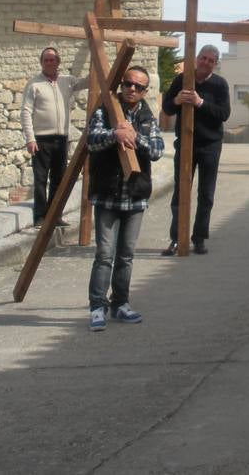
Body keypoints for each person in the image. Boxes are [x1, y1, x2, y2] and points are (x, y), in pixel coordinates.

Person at [85, 65, 163, 333]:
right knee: (104, 254)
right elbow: (91, 141)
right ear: (122, 84)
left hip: (135, 195)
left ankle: (121, 303)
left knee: (126, 255)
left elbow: (156, 150)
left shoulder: (146, 116)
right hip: (108, 194)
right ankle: (97, 307)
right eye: (128, 83)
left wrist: (134, 137)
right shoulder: (105, 110)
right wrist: (114, 134)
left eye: (138, 86)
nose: (132, 89)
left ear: (144, 91)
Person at [161, 44, 231, 255]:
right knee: (180, 193)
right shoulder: (182, 80)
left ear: (215, 64)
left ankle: (199, 238)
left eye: (211, 60)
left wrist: (200, 102)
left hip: (210, 145)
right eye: (203, 58)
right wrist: (177, 100)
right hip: (185, 144)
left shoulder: (219, 84)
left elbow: (224, 113)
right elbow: (167, 108)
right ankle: (176, 238)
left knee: (206, 194)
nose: (206, 63)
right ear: (197, 58)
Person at [20, 47, 88, 225]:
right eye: (46, 60)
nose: (49, 62)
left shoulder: (67, 81)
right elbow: (26, 112)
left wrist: (97, 64)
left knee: (59, 179)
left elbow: (86, 82)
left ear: (58, 62)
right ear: (41, 63)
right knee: (41, 179)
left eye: (52, 59)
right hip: (41, 139)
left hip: (61, 139)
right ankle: (41, 216)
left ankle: (55, 215)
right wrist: (30, 138)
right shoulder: (34, 84)